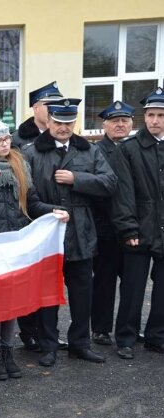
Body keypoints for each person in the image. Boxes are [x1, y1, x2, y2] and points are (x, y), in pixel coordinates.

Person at [0, 121, 69, 380]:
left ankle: (9, 352)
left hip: (17, 243)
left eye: (7, 138)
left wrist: (52, 211)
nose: (5, 143)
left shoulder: (22, 166)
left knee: (11, 303)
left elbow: (31, 204)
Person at [24, 98, 116, 367]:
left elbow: (110, 183)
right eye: (58, 123)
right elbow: (27, 196)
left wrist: (77, 179)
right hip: (48, 234)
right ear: (48, 121)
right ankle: (48, 345)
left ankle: (80, 344)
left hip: (82, 230)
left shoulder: (89, 150)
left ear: (74, 123)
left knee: (81, 293)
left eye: (68, 123)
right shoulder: (31, 152)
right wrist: (50, 210)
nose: (63, 128)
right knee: (48, 295)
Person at [112, 88, 164, 360]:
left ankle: (157, 336)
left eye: (160, 115)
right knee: (133, 287)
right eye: (151, 115)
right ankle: (126, 338)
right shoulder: (130, 149)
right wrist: (129, 228)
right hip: (139, 228)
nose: (155, 120)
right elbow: (123, 193)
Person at [13, 81, 65, 351]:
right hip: (30, 218)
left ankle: (48, 333)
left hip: (55, 218)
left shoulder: (63, 136)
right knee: (28, 278)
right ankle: (28, 331)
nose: (54, 109)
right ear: (35, 107)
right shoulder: (19, 138)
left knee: (50, 279)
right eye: (48, 104)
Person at [91, 101, 135, 348]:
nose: (120, 125)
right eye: (114, 121)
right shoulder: (96, 151)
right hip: (105, 227)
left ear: (132, 124)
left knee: (132, 283)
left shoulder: (135, 148)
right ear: (104, 125)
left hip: (133, 229)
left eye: (125, 121)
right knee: (104, 281)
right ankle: (100, 329)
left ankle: (129, 329)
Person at [13, 81, 64, 151]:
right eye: (50, 105)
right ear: (36, 108)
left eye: (57, 105)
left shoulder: (65, 136)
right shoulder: (16, 140)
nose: (54, 109)